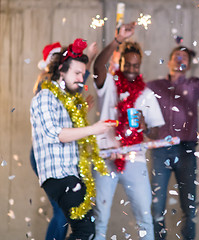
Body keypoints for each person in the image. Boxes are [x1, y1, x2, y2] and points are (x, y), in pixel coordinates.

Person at [30, 38, 115, 240]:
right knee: (85, 231)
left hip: (71, 173)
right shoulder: (45, 97)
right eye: (76, 73)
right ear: (61, 71)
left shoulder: (66, 99)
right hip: (59, 176)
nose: (81, 78)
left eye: (82, 73)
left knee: (86, 231)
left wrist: (82, 111)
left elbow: (68, 125)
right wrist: (93, 129)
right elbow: (58, 134)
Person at [147, 35, 199, 239]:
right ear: (169, 61)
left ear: (189, 64)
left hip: (186, 151)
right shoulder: (153, 86)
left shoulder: (194, 85)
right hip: (159, 150)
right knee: (157, 205)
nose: (180, 59)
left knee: (189, 206)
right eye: (177, 55)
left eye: (184, 57)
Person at [92, 22, 165, 240]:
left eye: (136, 66)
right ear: (121, 62)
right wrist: (118, 40)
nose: (132, 70)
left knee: (144, 218)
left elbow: (157, 133)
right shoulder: (110, 84)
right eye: (128, 64)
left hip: (135, 158)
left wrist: (145, 127)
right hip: (106, 156)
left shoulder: (147, 94)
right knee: (100, 218)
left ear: (140, 65)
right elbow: (97, 67)